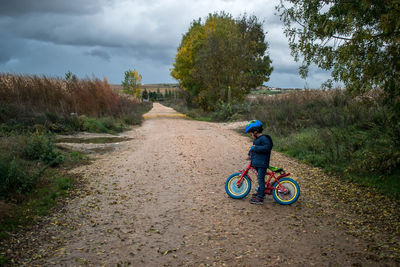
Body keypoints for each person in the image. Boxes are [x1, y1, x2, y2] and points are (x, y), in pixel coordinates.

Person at [245, 120, 273, 205]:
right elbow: (253, 149)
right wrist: (250, 154)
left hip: (262, 163)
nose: (251, 136)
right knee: (259, 179)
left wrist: (256, 148)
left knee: (260, 179)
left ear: (255, 132)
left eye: (251, 134)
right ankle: (261, 192)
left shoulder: (265, 138)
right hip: (257, 163)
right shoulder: (257, 140)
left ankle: (260, 197)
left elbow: (267, 148)